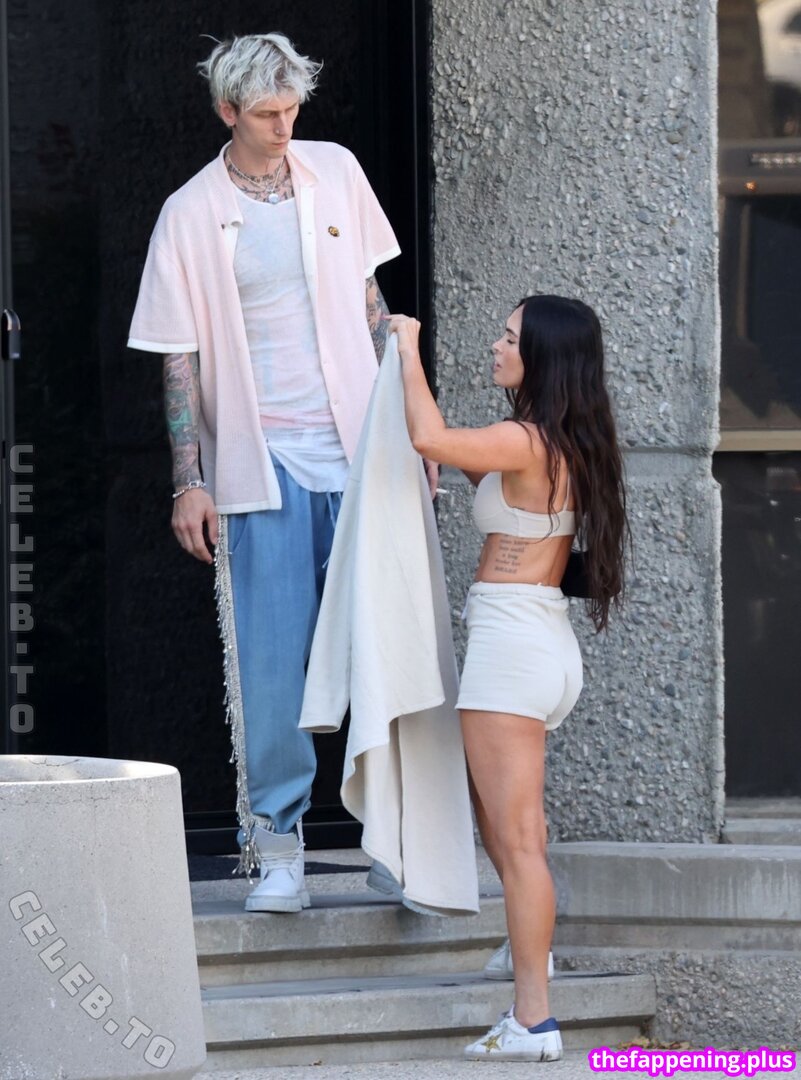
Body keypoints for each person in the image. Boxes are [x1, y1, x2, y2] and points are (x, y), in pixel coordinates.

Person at [128, 32, 409, 913]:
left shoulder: (337, 171)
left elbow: (374, 309)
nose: (284, 126)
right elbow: (177, 359)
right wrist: (190, 480)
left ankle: (394, 839)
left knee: (381, 654)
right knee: (273, 668)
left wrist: (408, 435)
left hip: (360, 455)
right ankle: (277, 846)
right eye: (265, 113)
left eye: (291, 109)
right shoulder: (189, 212)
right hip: (264, 464)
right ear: (227, 112)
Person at [389, 295, 628, 1062]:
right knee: (501, 823)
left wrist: (405, 346)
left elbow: (427, 436)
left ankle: (533, 1020)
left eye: (509, 338)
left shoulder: (525, 440)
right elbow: (474, 471)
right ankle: (531, 957)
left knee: (518, 840)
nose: (495, 346)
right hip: (539, 645)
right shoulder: (564, 442)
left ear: (543, 358)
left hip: (511, 649)